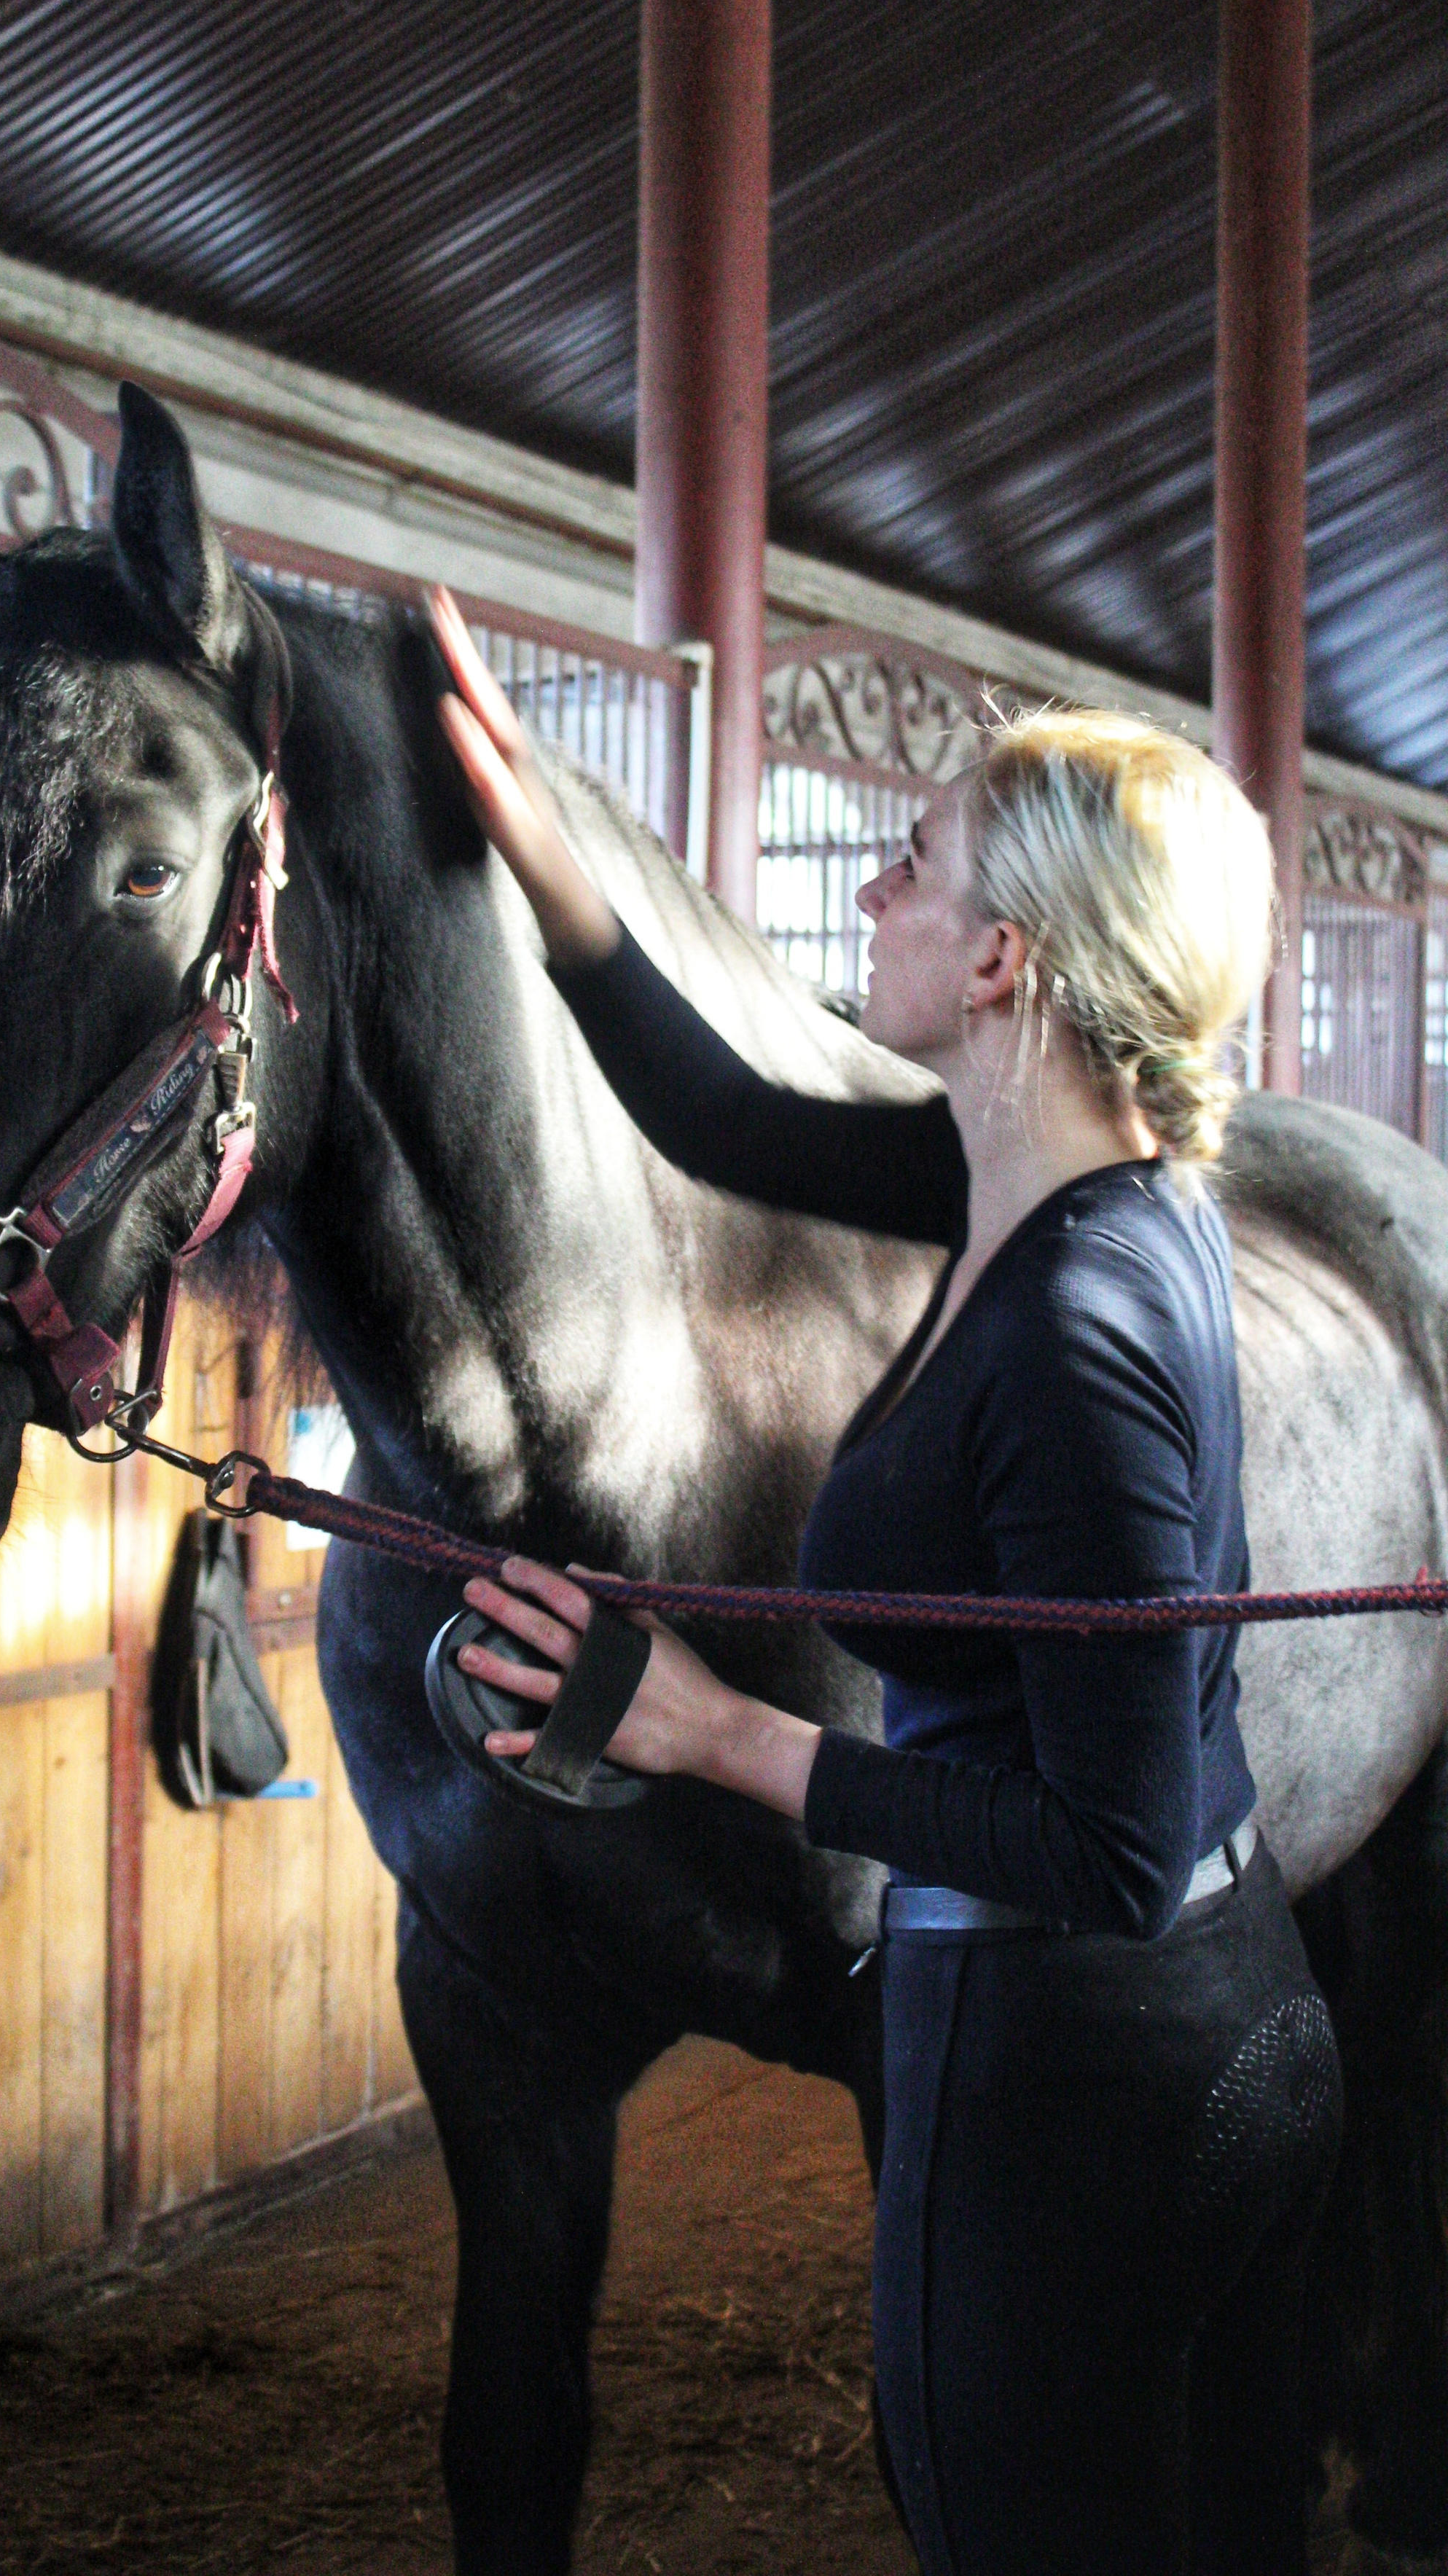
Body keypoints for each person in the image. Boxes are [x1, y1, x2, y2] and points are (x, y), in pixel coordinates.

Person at [426, 586, 1345, 2576]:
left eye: (910, 866)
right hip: (1209, 2018)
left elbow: (1096, 1845)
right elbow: (719, 1115)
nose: (868, 890)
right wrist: (545, 857)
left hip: (1077, 2059)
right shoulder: (1049, 1183)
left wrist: (706, 1728)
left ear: (1005, 959)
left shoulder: (1077, 1318)